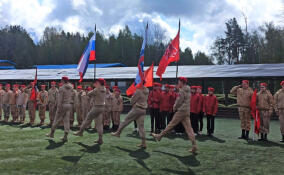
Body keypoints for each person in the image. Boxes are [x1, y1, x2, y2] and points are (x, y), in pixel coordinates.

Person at [152, 77, 197, 153]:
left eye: (179, 82)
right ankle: (194, 146)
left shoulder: (182, 91)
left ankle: (159, 136)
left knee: (171, 124)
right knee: (189, 129)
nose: (178, 83)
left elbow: (179, 100)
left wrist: (174, 107)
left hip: (181, 110)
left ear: (182, 82)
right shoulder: (188, 89)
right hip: (186, 111)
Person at [111, 82, 149, 148]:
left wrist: (132, 97)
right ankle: (144, 143)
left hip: (137, 109)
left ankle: (118, 132)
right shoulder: (147, 90)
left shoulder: (138, 91)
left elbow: (132, 101)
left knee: (126, 121)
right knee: (141, 126)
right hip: (143, 110)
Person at [74, 78, 106, 144]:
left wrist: (93, 90)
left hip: (96, 107)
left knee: (87, 120)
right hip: (102, 107)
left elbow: (88, 94)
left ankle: (80, 132)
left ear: (99, 83)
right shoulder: (104, 89)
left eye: (96, 82)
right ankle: (100, 139)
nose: (95, 83)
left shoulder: (96, 89)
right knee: (99, 124)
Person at [46, 76, 74, 142]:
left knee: (56, 120)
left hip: (62, 105)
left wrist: (58, 107)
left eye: (62, 80)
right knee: (66, 121)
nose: (61, 81)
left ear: (63, 81)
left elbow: (60, 99)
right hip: (68, 104)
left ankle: (52, 133)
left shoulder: (61, 88)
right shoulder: (71, 87)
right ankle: (65, 136)